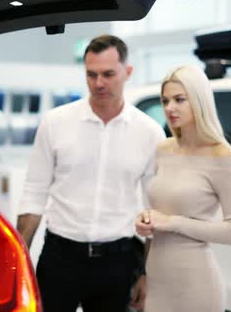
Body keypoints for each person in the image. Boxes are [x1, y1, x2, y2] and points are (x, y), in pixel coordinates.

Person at [16, 34, 165, 312]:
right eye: (91, 74)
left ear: (127, 72)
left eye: (108, 74)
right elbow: (33, 194)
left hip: (118, 264)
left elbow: (153, 208)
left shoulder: (149, 132)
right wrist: (17, 264)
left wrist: (148, 273)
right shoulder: (55, 123)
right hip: (60, 259)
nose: (99, 83)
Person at [135, 65, 231, 312]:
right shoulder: (163, 149)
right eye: (165, 101)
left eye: (179, 99)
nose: (169, 108)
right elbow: (158, 213)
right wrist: (146, 221)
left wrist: (172, 222)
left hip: (195, 284)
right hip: (156, 279)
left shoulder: (223, 157)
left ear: (198, 100)